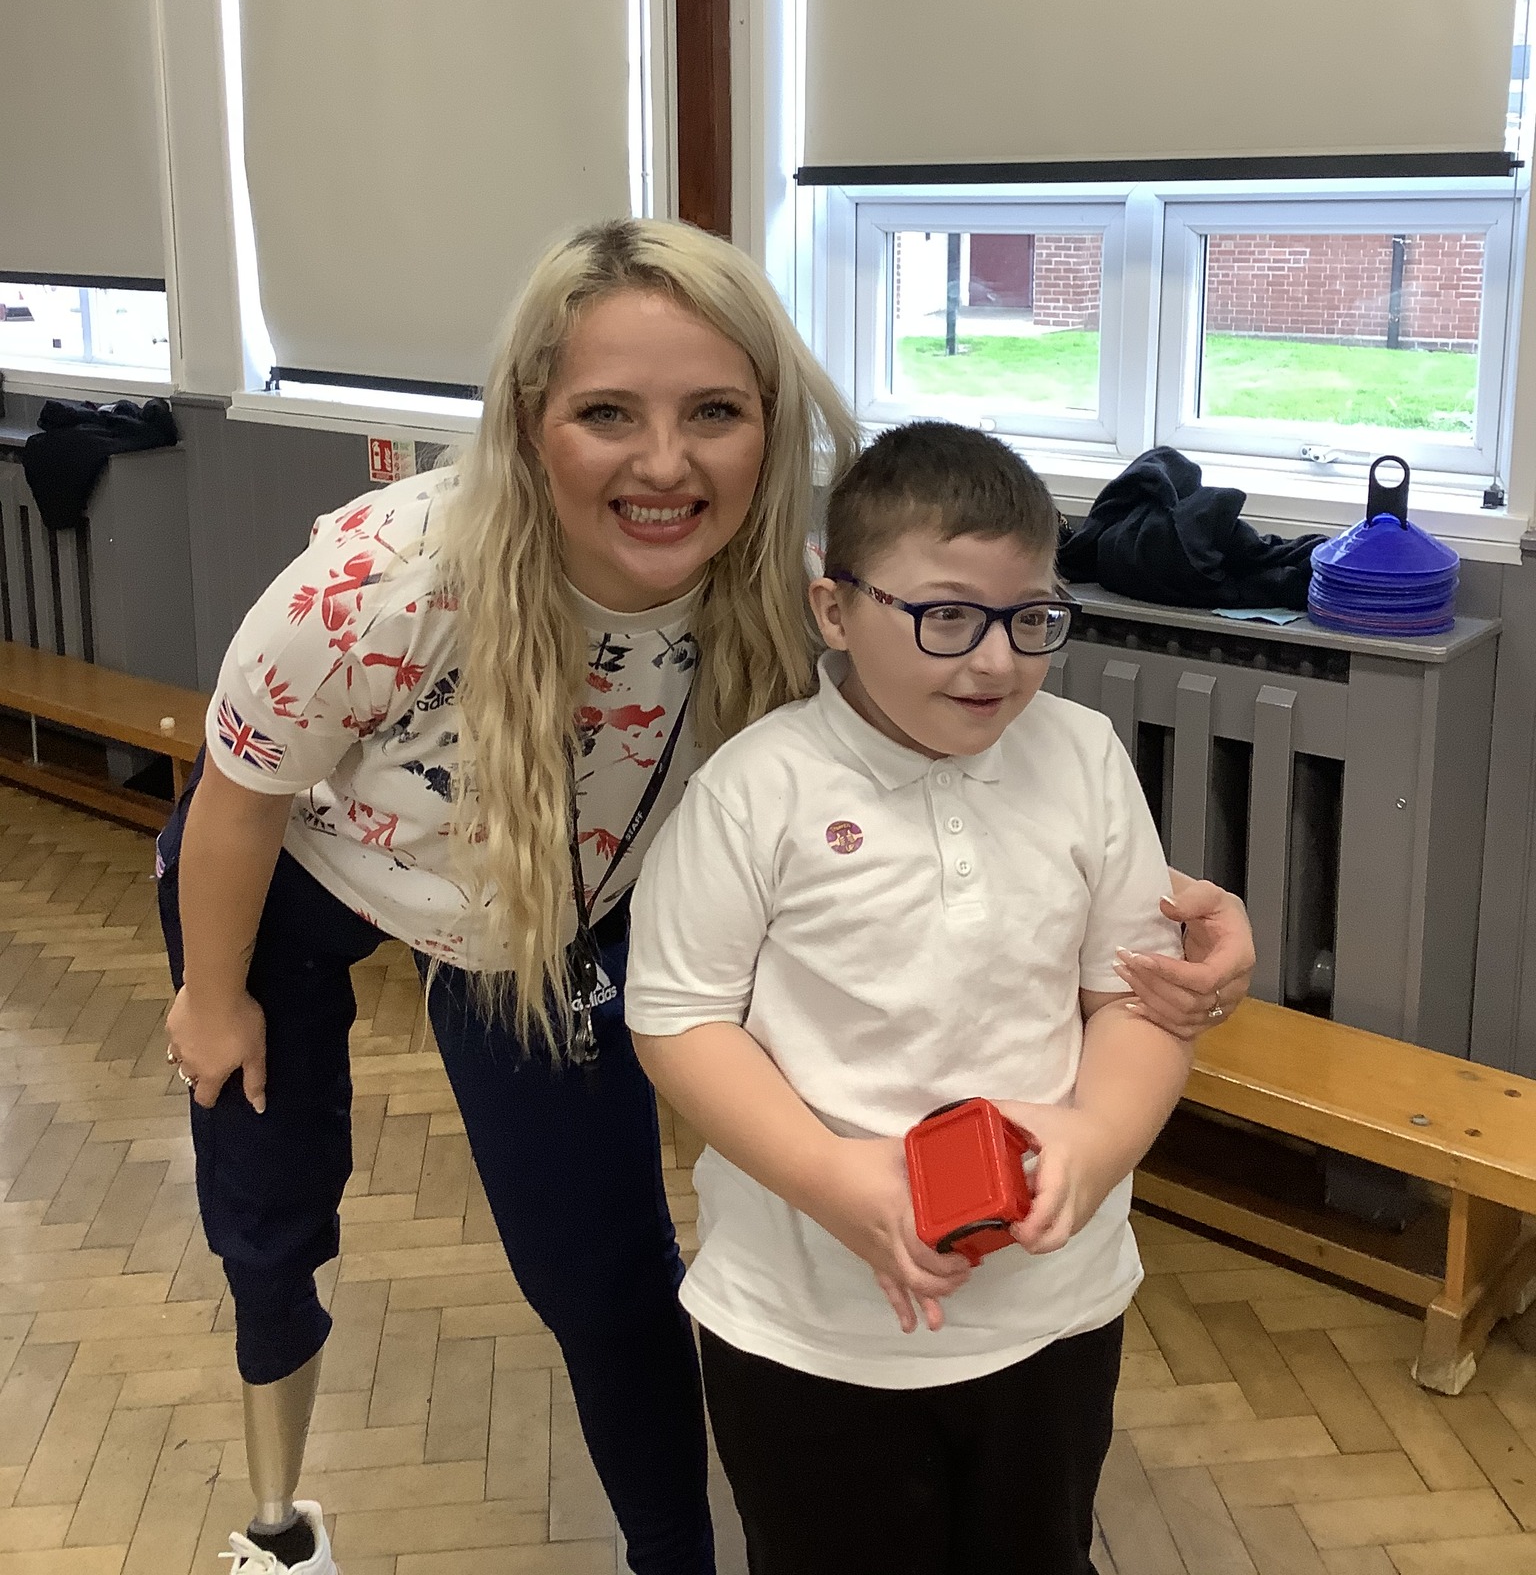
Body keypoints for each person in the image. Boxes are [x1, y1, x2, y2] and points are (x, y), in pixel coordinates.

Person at [158, 222, 1255, 1575]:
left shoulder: (788, 589)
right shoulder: (381, 585)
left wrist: (1182, 926)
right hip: (300, 865)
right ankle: (277, 1526)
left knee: (604, 1273)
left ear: (770, 425)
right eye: (609, 413)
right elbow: (239, 796)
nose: (667, 463)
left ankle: (669, 1558)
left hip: (536, 910)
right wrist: (212, 997)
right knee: (268, 1198)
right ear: (530, 419)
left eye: (715, 413)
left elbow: (971, 769)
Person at [626, 422, 1202, 1575]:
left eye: (1031, 619)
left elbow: (1138, 998)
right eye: (946, 616)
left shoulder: (1085, 755)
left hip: (1052, 1313)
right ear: (835, 608)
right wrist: (829, 1174)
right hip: (807, 1326)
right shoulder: (755, 789)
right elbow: (679, 1020)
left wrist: (1100, 1137)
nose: (995, 661)